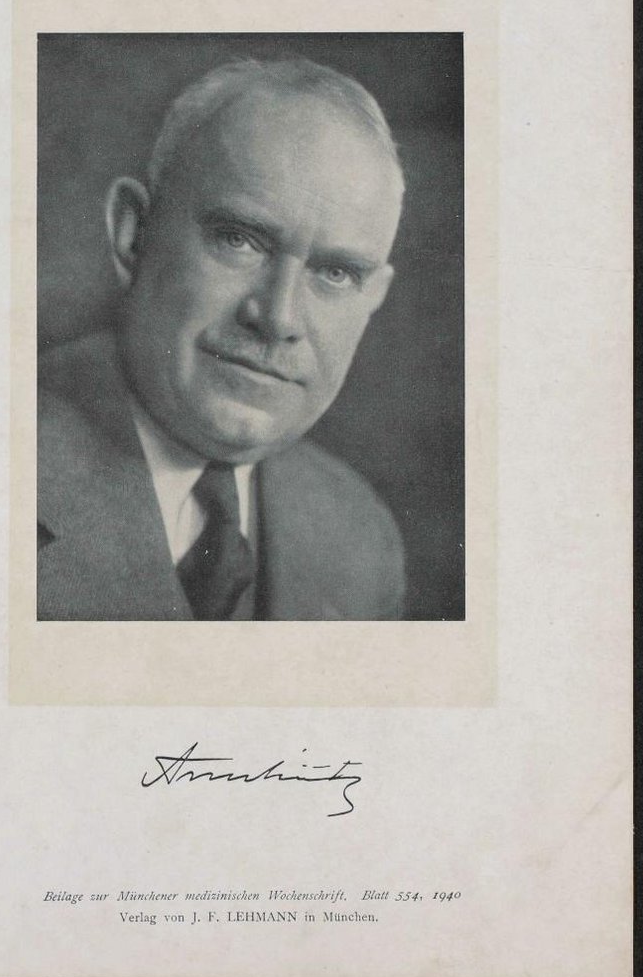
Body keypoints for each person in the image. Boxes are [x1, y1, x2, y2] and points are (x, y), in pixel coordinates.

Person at [38, 57, 406, 620]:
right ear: (134, 235)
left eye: (335, 273)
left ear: (372, 297)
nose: (278, 317)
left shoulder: (358, 536)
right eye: (239, 240)